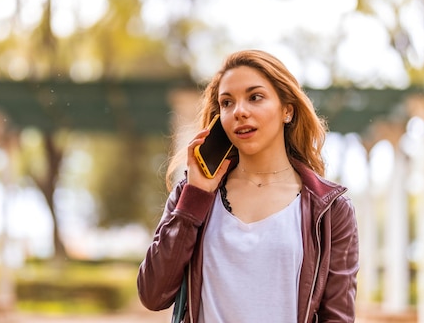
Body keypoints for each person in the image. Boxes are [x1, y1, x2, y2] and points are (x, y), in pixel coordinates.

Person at [137, 49, 359, 322]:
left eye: (255, 97)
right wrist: (194, 199)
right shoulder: (191, 194)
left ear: (287, 110)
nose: (239, 112)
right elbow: (153, 294)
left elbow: (337, 316)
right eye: (227, 103)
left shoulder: (330, 209)